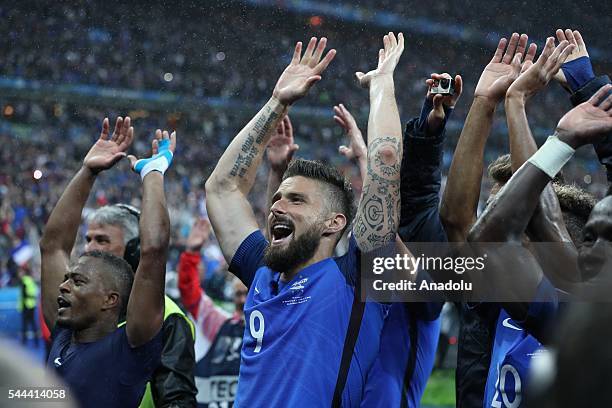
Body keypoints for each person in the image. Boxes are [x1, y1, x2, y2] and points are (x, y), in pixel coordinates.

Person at [205, 33, 404, 406]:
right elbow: (222, 189)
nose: (278, 206)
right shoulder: (262, 274)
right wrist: (278, 102)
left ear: (334, 223)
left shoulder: (357, 278)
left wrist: (381, 83)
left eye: (296, 200)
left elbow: (387, 159)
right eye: (279, 198)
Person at [41, 117, 197, 408]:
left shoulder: (131, 344)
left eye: (77, 282)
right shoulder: (65, 333)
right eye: (68, 279)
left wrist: (153, 174)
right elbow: (52, 247)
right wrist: (87, 171)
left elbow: (154, 251)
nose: (63, 286)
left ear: (110, 299)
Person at [178, 218, 246, 408]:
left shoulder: (271, 330)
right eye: (238, 294)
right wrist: (191, 253)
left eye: (247, 293)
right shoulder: (220, 323)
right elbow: (191, 295)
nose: (242, 299)